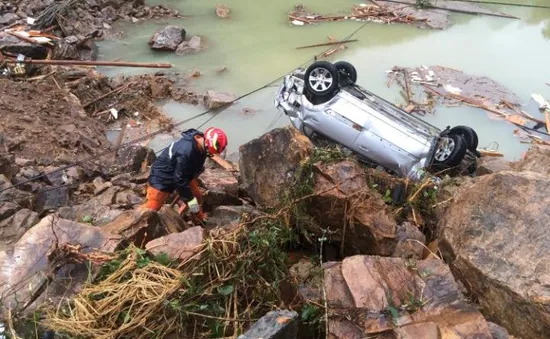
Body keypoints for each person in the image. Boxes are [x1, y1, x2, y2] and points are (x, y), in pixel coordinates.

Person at [140, 127, 228, 219]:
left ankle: (197, 218)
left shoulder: (201, 142)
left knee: (197, 197)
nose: (209, 154)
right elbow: (181, 184)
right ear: (206, 144)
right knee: (152, 208)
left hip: (184, 173)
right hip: (162, 175)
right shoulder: (186, 152)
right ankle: (133, 223)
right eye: (209, 151)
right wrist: (194, 208)